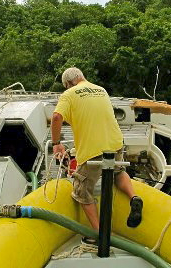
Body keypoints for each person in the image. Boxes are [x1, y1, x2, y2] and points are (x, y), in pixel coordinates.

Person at [51, 67, 143, 236]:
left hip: (93, 148)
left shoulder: (69, 94)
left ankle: (99, 234)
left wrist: (56, 144)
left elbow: (56, 117)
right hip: (115, 142)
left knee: (81, 189)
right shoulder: (101, 90)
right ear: (82, 77)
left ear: (68, 84)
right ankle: (134, 198)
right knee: (117, 171)